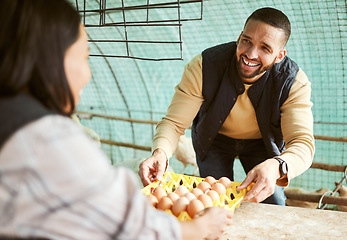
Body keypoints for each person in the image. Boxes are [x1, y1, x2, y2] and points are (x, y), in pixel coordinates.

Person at [0, 1, 232, 239]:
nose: (88, 74)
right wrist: (197, 229)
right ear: (52, 60)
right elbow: (122, 221)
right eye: (84, 56)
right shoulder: (44, 135)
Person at [139, 7, 315, 206]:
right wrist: (160, 153)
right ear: (239, 36)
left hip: (262, 143)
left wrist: (276, 166)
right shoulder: (203, 66)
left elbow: (302, 143)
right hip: (214, 139)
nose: (250, 54)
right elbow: (173, 122)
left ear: (280, 55)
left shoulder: (294, 82)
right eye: (247, 40)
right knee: (210, 200)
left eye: (265, 48)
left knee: (272, 201)